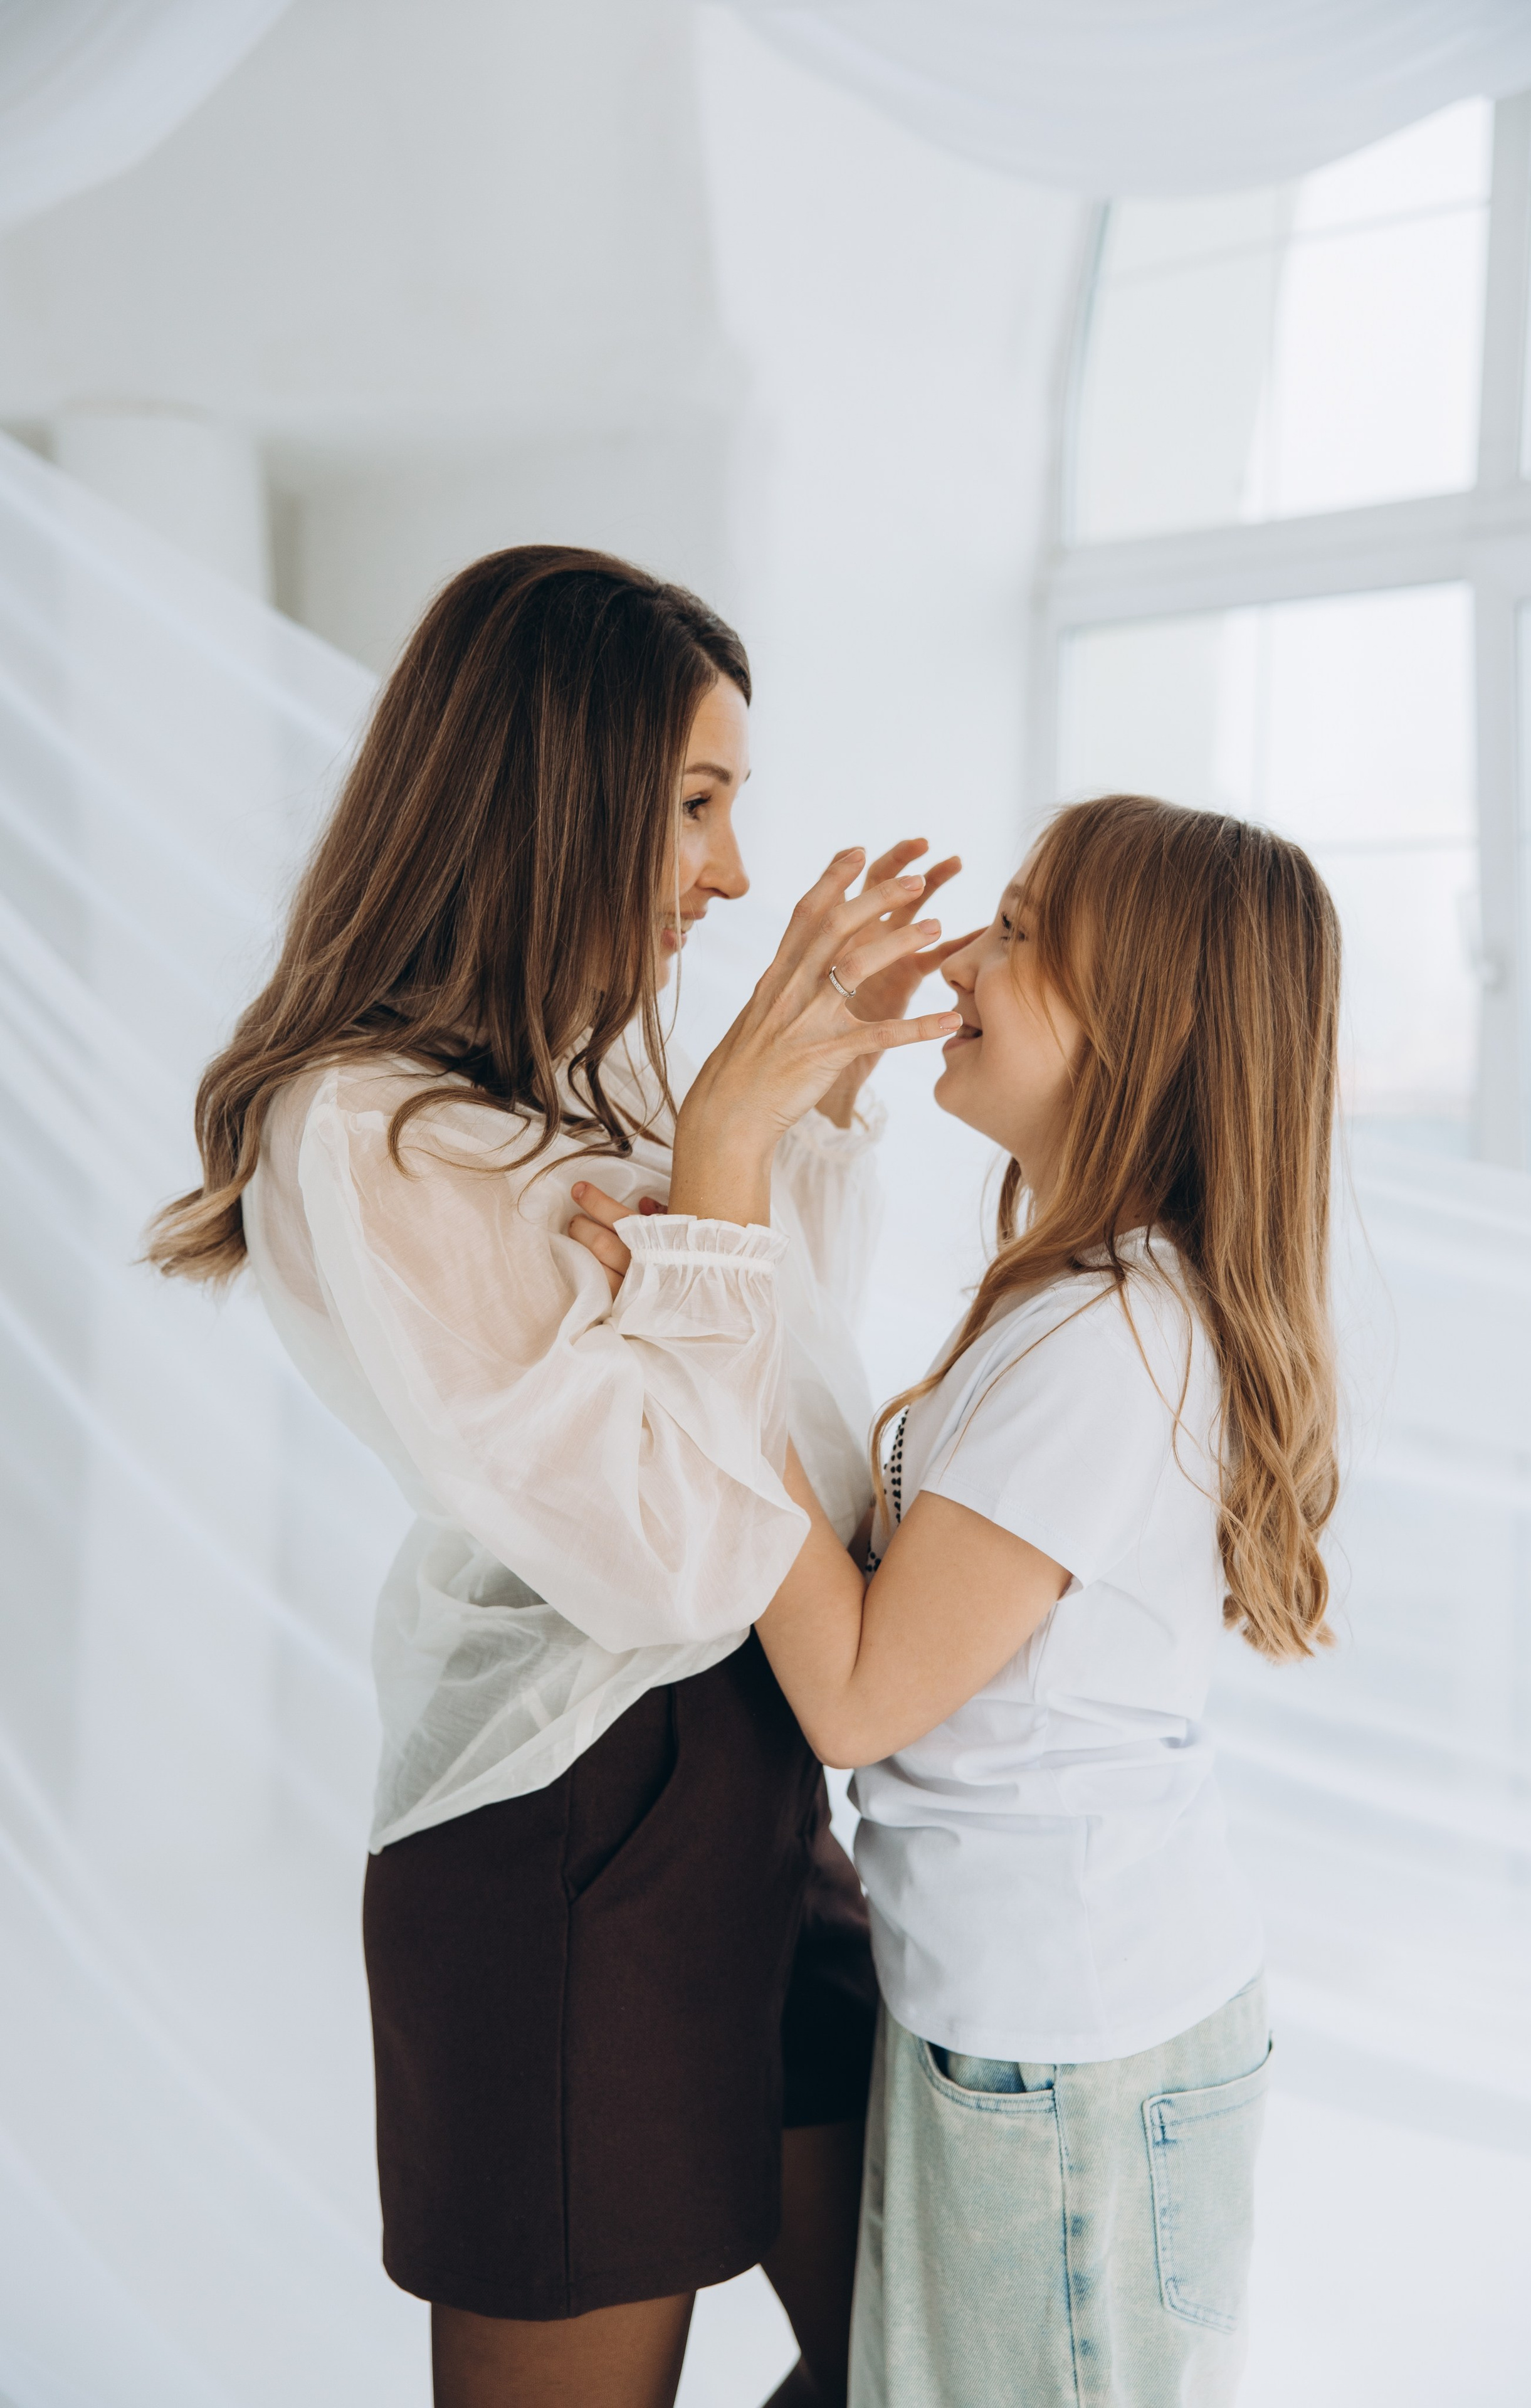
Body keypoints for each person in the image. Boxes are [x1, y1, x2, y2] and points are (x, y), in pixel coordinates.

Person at [146, 544, 964, 2408]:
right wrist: (731, 1151)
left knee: (926, 2361)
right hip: (568, 1832)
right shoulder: (359, 1132)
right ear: (557, 787)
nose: (734, 870)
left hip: (760, 1788)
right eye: (695, 803)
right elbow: (678, 1564)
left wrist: (795, 1112)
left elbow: (789, 1418)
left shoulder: (590, 1083)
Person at [574, 790, 1341, 2407]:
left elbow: (854, 1692)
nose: (967, 956)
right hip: (1030, 2018)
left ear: (1139, 1022)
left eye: (1018, 931)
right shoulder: (1082, 1300)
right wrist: (706, 1271)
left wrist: (715, 1255)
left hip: (1061, 2047)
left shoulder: (1109, 1341)